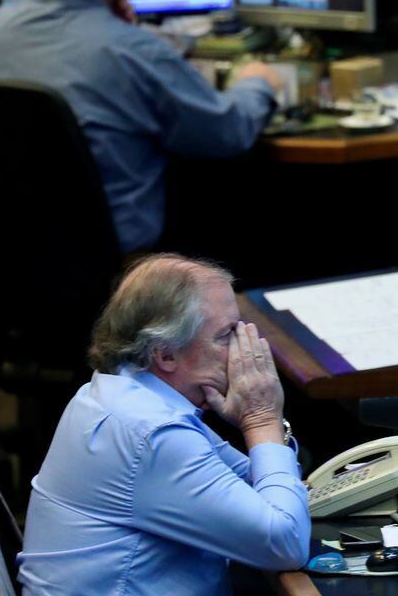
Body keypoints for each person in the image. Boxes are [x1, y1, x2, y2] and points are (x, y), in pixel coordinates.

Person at [0, 0, 282, 255]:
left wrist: (118, 29)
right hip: (118, 274)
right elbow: (225, 131)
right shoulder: (133, 51)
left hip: (8, 257)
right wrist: (257, 83)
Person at [17, 253, 310, 596]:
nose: (244, 351)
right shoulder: (151, 432)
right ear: (165, 354)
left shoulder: (114, 393)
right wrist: (261, 420)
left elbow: (255, 489)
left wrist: (265, 428)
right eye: (227, 335)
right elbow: (284, 543)